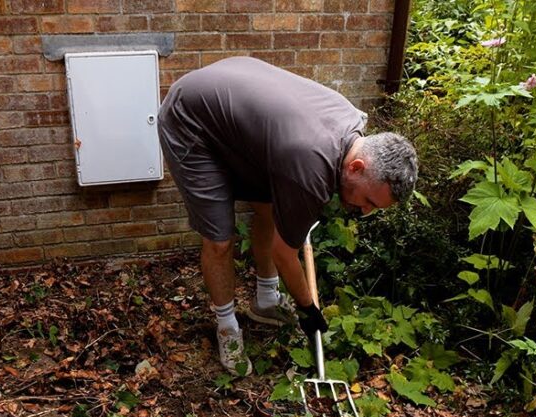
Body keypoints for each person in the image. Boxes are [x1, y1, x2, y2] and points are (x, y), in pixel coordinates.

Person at [157, 56, 419, 375]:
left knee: (270, 210)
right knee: (219, 239)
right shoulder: (309, 170)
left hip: (236, 111)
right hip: (191, 120)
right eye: (368, 201)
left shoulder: (352, 124)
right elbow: (285, 255)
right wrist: (308, 307)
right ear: (357, 167)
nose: (365, 211)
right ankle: (227, 327)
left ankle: (266, 300)